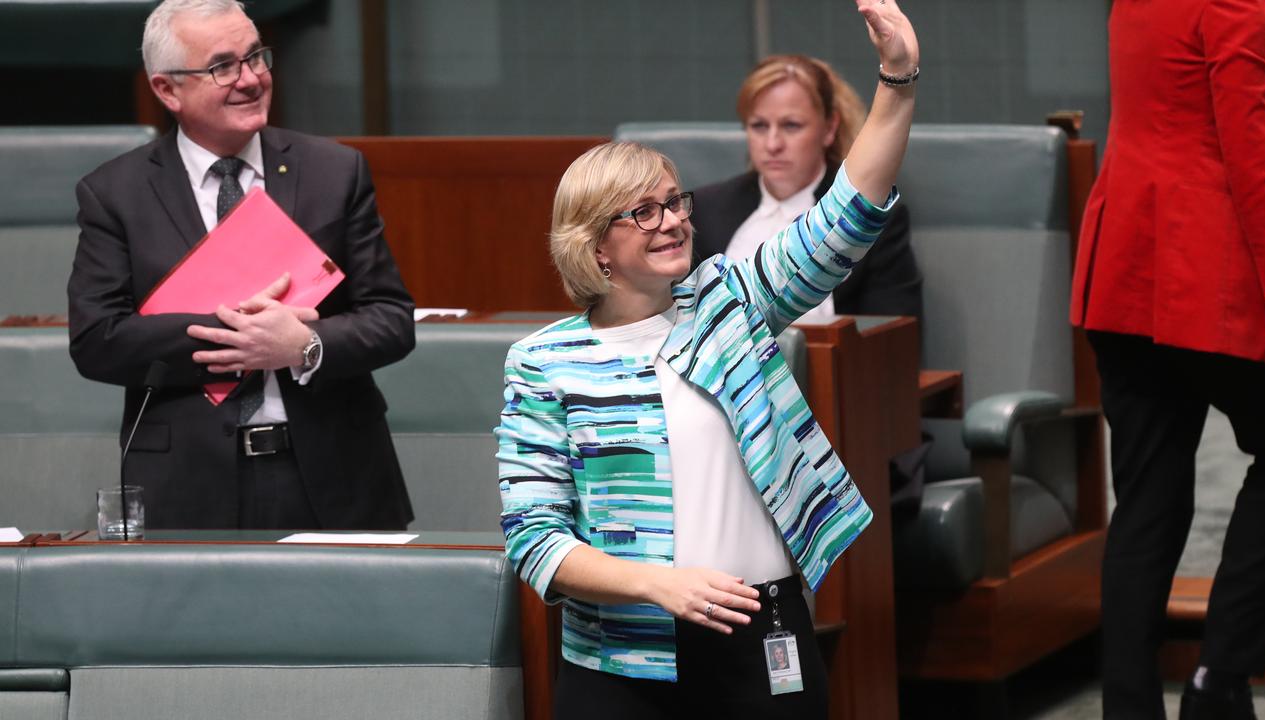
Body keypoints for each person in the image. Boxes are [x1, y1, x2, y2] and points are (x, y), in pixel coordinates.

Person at [495, 1, 917, 716]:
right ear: (595, 246)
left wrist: (898, 77)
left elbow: (849, 211)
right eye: (644, 212)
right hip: (623, 655)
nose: (674, 220)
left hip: (762, 629)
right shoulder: (546, 361)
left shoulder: (730, 301)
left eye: (674, 201)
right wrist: (658, 583)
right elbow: (535, 538)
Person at [67, 0, 416, 531]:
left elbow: (391, 318)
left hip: (333, 473)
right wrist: (239, 336)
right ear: (167, 90)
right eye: (222, 66)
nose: (251, 79)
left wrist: (304, 346)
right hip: (186, 482)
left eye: (256, 57)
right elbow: (96, 340)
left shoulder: (333, 171)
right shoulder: (115, 192)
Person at [1070, 0, 1265, 718]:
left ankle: (1128, 705)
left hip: (1124, 267)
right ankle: (1217, 683)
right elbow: (1254, 158)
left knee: (1146, 506)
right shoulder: (1233, 6)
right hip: (1202, 270)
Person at [692, 54, 921, 323]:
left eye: (791, 126)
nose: (773, 144)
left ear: (829, 128)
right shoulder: (704, 209)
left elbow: (894, 336)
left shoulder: (866, 212)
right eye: (759, 126)